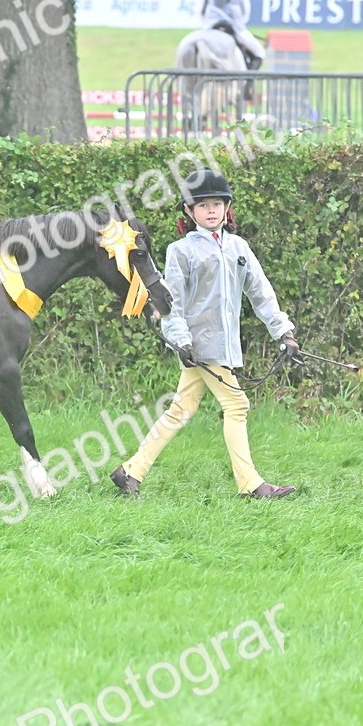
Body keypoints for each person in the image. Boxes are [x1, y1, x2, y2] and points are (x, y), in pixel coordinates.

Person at [110, 170, 301, 501]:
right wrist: (181, 340)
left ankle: (131, 471)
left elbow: (261, 293)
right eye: (203, 205)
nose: (211, 211)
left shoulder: (239, 247)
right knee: (237, 405)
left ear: (227, 207)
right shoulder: (180, 251)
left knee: (180, 409)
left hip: (222, 346)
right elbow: (172, 303)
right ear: (189, 211)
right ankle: (252, 485)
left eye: (217, 204)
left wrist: (283, 332)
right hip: (198, 346)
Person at [200, 0, 265, 71]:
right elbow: (245, 8)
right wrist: (241, 25)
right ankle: (247, 81)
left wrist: (205, 24)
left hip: (211, 26)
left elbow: (201, 9)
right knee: (260, 52)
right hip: (233, 27)